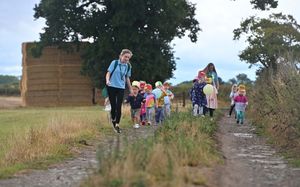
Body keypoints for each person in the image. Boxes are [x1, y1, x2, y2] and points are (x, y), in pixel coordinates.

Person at [105, 49, 133, 133]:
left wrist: (130, 88)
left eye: (128, 57)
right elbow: (108, 73)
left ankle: (117, 124)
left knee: (119, 106)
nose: (127, 59)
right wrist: (107, 80)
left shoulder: (128, 66)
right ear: (121, 56)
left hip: (121, 87)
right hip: (112, 86)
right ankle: (113, 118)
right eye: (125, 57)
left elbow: (127, 78)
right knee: (113, 107)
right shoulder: (115, 63)